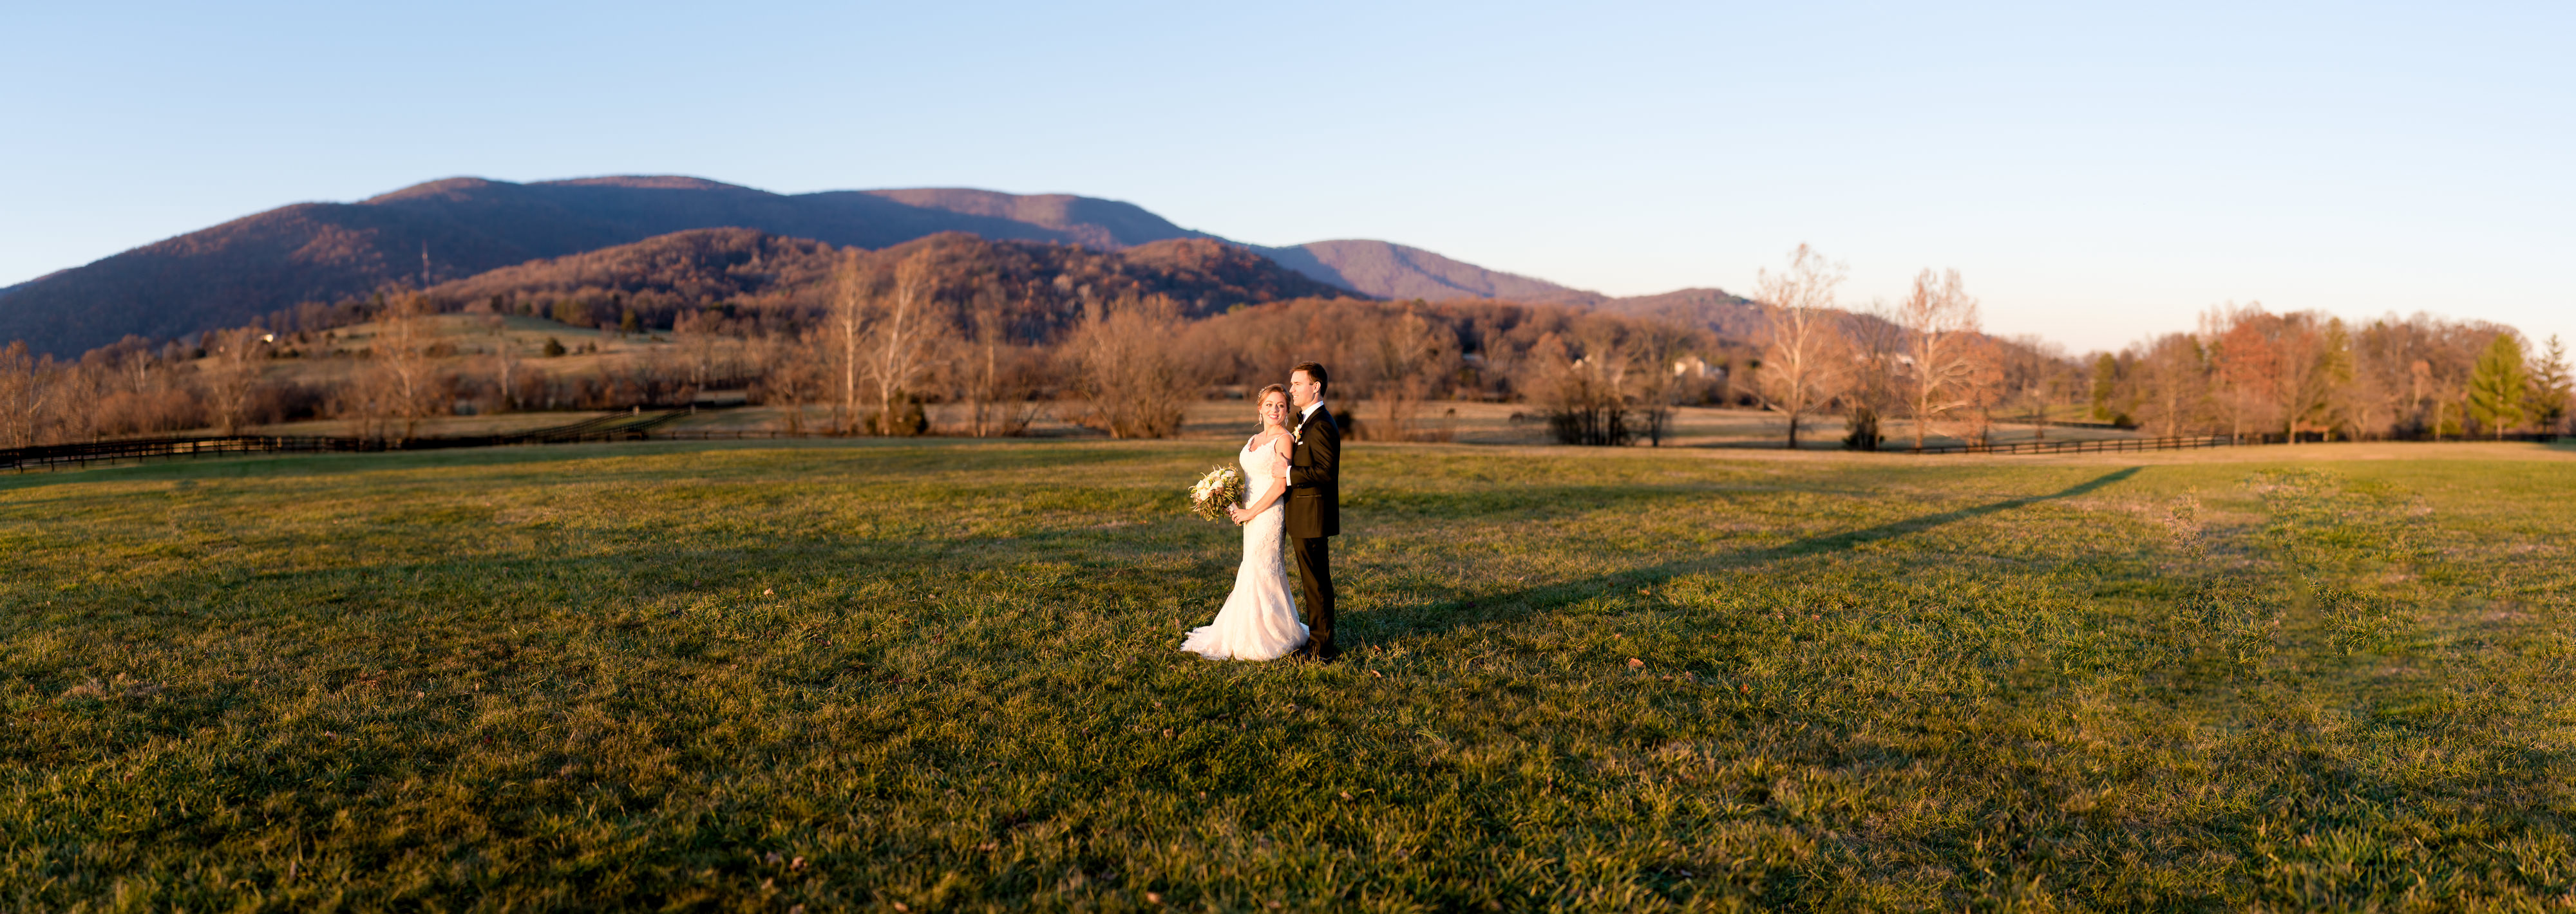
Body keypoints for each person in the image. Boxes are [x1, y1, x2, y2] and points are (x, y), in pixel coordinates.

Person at [1179, 384, 1310, 660]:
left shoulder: (1284, 439)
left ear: (1287, 411)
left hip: (1268, 513)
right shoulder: (1254, 438)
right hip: (1249, 510)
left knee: (1261, 567)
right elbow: (1252, 480)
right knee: (1251, 565)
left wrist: (1251, 513)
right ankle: (1249, 627)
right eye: (1270, 405)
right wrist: (1223, 492)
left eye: (1281, 406)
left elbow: (1279, 487)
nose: (1275, 410)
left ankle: (1268, 633)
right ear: (1260, 408)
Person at [1280, 362, 1340, 661]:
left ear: (1315, 387)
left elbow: (1325, 472)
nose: (1292, 390)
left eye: (1297, 384)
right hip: (1304, 516)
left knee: (1316, 584)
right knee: (1312, 582)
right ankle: (1318, 641)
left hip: (1312, 516)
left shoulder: (1323, 424)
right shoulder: (1308, 421)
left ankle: (1322, 649)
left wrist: (1289, 474)